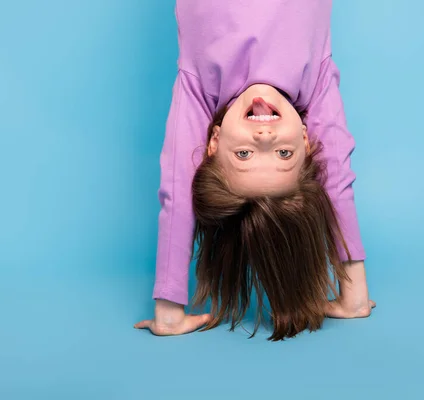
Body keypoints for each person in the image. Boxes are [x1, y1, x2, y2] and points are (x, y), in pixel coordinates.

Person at [135, 0, 375, 340]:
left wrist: (169, 307)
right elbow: (336, 175)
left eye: (245, 154)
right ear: (307, 141)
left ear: (213, 143)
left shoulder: (200, 88)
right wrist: (354, 291)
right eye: (283, 153)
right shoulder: (314, 82)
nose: (265, 136)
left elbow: (178, 188)